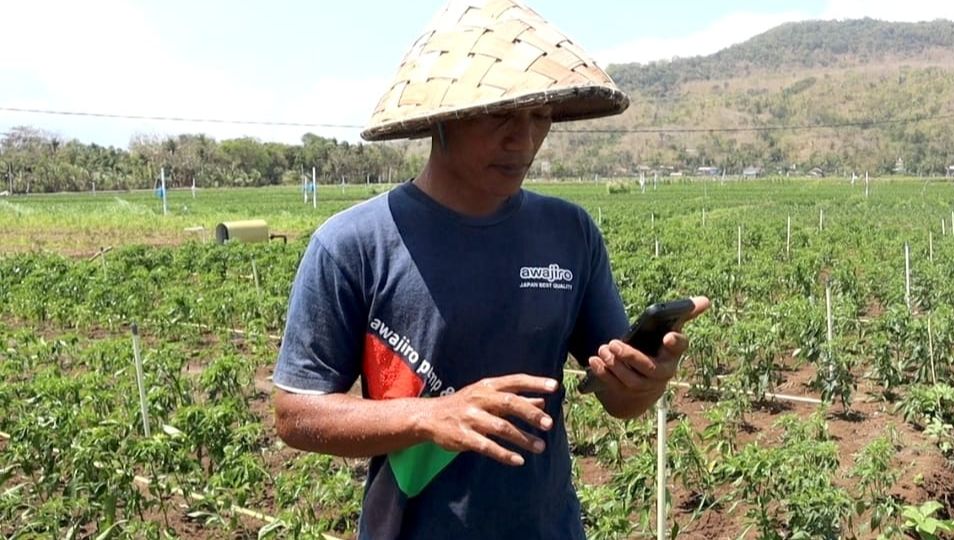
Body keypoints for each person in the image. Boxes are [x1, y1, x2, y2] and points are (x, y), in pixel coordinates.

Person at [271, 1, 709, 539]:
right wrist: (429, 416)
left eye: (539, 115)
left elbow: (618, 397)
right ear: (441, 117)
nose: (523, 141)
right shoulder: (354, 244)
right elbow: (295, 414)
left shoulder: (569, 233)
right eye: (500, 114)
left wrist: (646, 382)